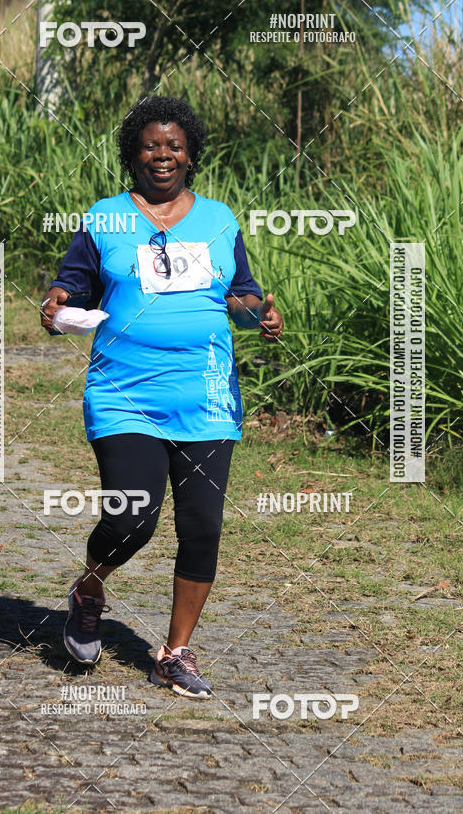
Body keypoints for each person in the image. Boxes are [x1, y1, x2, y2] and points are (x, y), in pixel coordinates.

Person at [40, 96, 283, 698]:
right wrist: (58, 303)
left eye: (174, 145)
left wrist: (258, 314)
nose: (163, 154)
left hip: (207, 397)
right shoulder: (105, 218)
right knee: (133, 519)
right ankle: (89, 590)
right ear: (134, 154)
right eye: (151, 145)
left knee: (202, 526)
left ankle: (174, 653)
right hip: (124, 393)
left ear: (190, 154)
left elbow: (241, 295)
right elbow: (74, 284)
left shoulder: (219, 220)